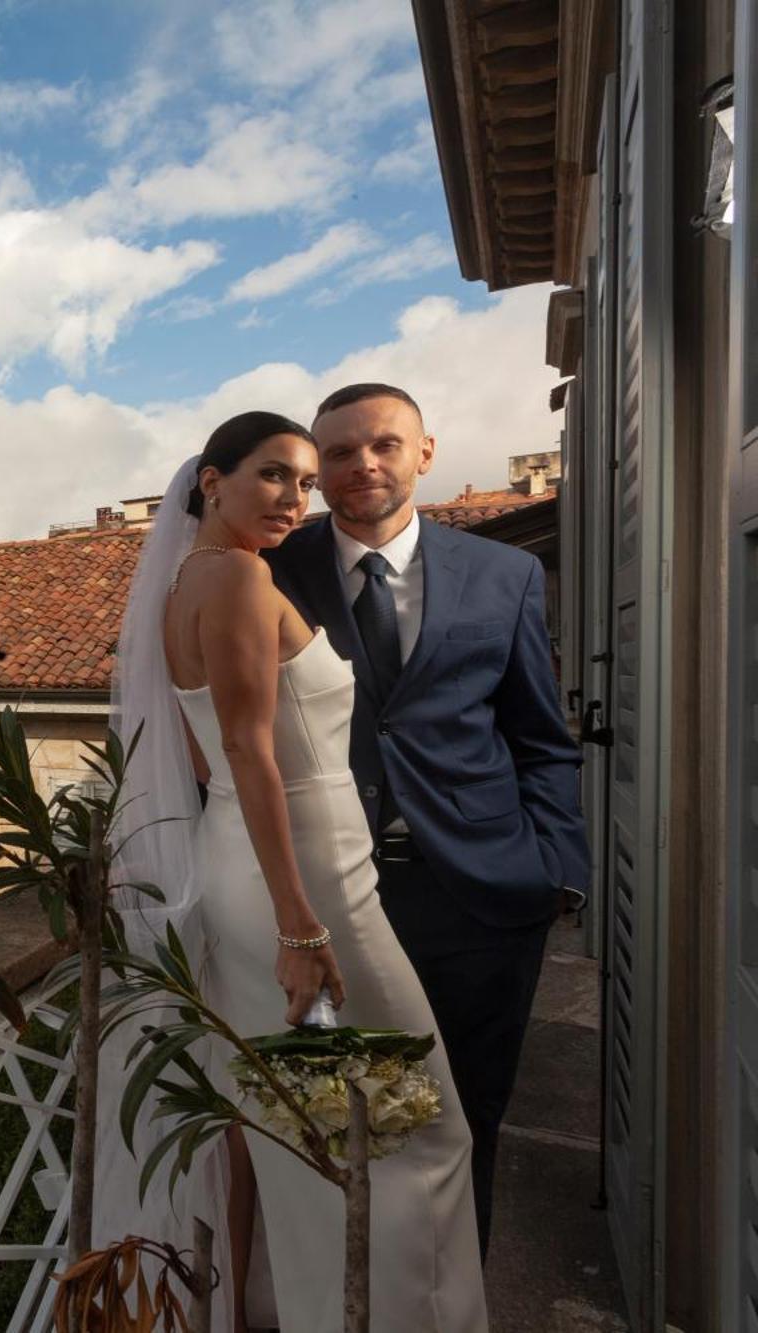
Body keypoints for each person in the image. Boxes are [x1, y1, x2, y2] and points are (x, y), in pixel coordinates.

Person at [110, 411, 486, 1331]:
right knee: (423, 1128)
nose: (296, 497)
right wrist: (300, 924)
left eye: (305, 483)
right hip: (308, 886)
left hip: (266, 867)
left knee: (315, 1134)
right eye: (275, 475)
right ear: (211, 481)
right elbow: (244, 750)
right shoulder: (236, 576)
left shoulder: (186, 585)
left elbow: (204, 760)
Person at [265, 383, 590, 1255]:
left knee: (470, 1117)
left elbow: (540, 735)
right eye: (337, 452)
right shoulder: (271, 571)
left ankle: (458, 1298)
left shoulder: (505, 573)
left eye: (383, 444)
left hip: (482, 898)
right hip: (330, 900)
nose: (361, 464)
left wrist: (554, 868)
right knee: (337, 1122)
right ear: (318, 469)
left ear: (426, 451)